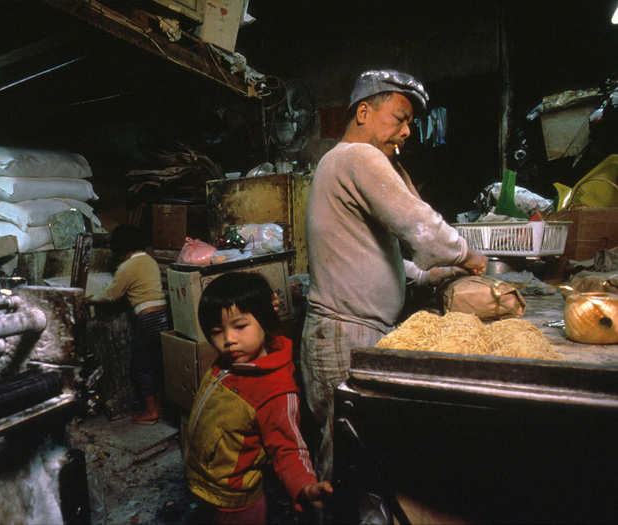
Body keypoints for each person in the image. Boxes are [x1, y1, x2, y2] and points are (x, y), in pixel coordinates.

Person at [300, 69, 488, 481]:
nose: (406, 132)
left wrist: (422, 276)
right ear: (364, 112)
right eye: (399, 118)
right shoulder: (358, 157)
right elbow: (418, 224)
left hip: (344, 331)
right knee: (346, 468)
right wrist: (469, 255)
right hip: (344, 335)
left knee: (351, 458)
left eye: (409, 124)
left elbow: (364, 255)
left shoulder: (339, 162)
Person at [184, 272, 333, 524]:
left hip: (236, 504)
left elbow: (288, 448)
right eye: (217, 331)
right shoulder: (229, 363)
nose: (229, 340)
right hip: (203, 485)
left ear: (265, 320)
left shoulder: (275, 389)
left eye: (240, 326)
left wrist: (305, 486)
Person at [87, 224, 169, 424]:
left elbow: (112, 295)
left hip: (147, 318)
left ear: (121, 248)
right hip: (163, 316)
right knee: (156, 364)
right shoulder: (149, 261)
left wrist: (89, 298)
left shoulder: (127, 267)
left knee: (141, 366)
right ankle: (158, 407)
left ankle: (151, 412)